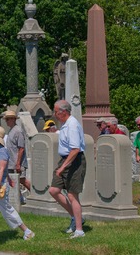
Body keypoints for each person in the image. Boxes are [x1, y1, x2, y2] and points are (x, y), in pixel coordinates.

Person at [49, 100, 87, 239]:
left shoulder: (72, 124)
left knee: (72, 195)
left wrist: (63, 167)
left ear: (64, 112)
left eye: (56, 111)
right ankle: (75, 217)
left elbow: (75, 149)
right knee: (53, 190)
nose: (54, 114)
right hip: (65, 159)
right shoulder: (65, 124)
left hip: (74, 161)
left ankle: (79, 230)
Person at [3, 110, 31, 204]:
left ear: (13, 119)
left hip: (17, 162)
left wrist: (18, 163)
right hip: (11, 162)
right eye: (6, 119)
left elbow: (21, 148)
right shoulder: (11, 130)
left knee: (22, 180)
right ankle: (19, 199)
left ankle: (36, 196)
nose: (6, 121)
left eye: (8, 119)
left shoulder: (18, 131)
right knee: (13, 181)